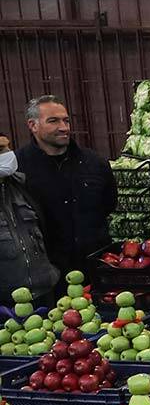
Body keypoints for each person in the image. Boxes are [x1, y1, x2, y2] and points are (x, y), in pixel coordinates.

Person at [16, 96, 116, 280]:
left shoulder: (94, 163)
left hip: (96, 268)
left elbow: (109, 204)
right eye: (53, 121)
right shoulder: (18, 168)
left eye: (66, 120)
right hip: (46, 273)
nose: (64, 127)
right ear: (33, 125)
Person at [0, 132, 58, 306]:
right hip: (8, 302)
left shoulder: (23, 186)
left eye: (8, 147)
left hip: (44, 291)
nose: (9, 153)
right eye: (0, 149)